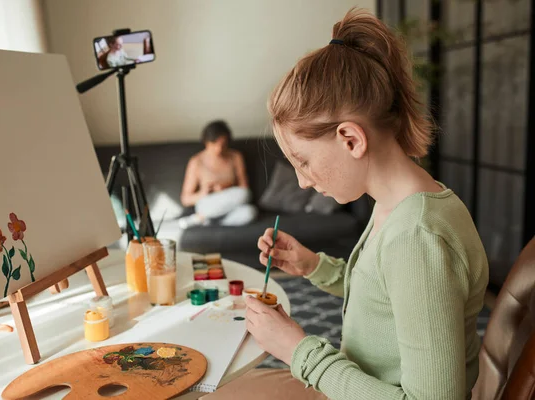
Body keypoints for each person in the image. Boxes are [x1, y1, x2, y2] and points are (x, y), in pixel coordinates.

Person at [203, 8, 489, 400]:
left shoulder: (417, 238)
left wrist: (297, 350)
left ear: (351, 139)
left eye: (302, 161)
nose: (302, 181)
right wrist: (312, 265)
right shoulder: (403, 202)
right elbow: (385, 297)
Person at [179, 120, 257, 228]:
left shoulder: (235, 157)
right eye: (214, 144)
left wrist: (225, 187)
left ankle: (204, 220)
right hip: (208, 202)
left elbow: (244, 188)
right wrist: (203, 193)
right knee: (205, 206)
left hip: (231, 202)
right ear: (206, 142)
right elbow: (185, 199)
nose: (219, 149)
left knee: (249, 210)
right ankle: (205, 216)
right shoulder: (196, 161)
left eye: (223, 145)